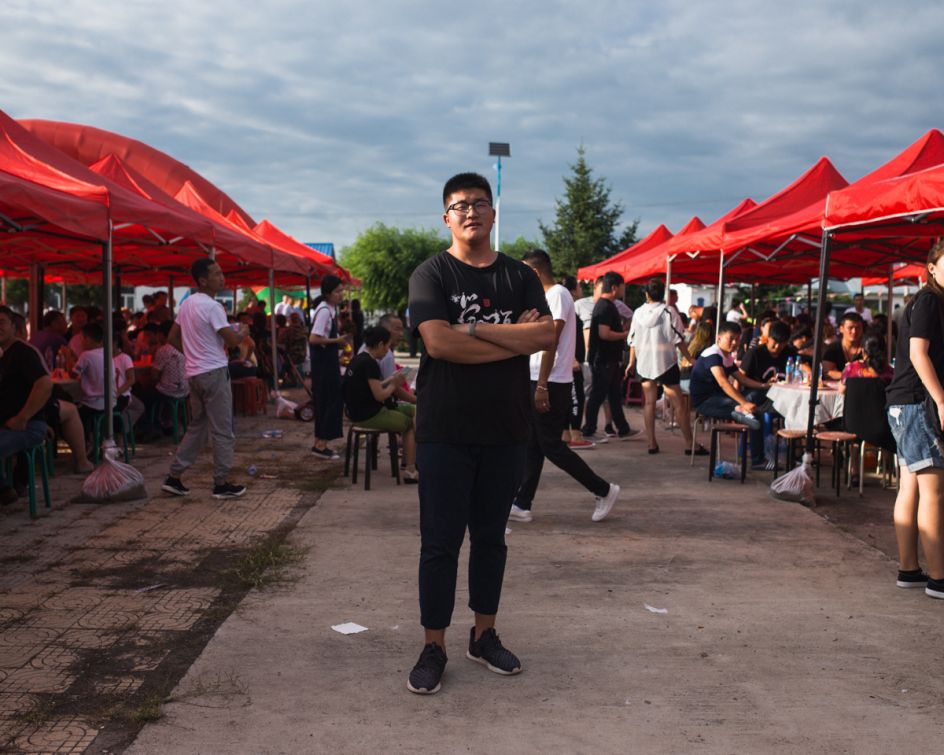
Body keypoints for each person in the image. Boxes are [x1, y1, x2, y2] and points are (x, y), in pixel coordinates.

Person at [405, 172, 553, 695]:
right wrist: (510, 339)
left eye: (479, 203)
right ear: (446, 217)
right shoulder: (431, 275)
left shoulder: (519, 276)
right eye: (459, 205)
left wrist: (470, 330)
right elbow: (439, 345)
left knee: (491, 540)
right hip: (444, 429)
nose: (470, 211)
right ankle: (434, 645)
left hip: (505, 429)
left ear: (494, 214)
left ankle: (483, 635)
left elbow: (544, 334)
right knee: (440, 544)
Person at [509, 250, 619, 524]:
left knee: (551, 446)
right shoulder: (546, 296)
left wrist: (542, 385)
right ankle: (522, 503)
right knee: (534, 444)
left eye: (524, 272)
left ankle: (603, 489)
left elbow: (550, 340)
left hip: (551, 381)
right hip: (541, 378)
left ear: (534, 272)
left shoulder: (557, 294)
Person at [161, 258, 247, 499]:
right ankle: (221, 483)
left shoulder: (187, 304)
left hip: (195, 373)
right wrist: (243, 333)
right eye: (217, 274)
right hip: (214, 372)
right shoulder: (212, 307)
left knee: (197, 427)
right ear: (203, 280)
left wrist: (190, 353)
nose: (222, 277)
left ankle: (174, 476)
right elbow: (231, 340)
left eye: (222, 272)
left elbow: (172, 337)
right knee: (222, 430)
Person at [886, 241, 944, 598]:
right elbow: (917, 353)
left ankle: (909, 569)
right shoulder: (929, 301)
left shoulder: (931, 301)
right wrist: (940, 398)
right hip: (917, 402)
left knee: (911, 485)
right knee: (934, 491)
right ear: (933, 268)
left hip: (906, 403)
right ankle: (939, 577)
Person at [627, 278, 705, 456]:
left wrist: (632, 362)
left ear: (646, 294)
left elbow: (632, 340)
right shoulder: (669, 312)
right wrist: (689, 358)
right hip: (665, 363)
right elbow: (679, 339)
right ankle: (689, 443)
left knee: (649, 403)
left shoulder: (638, 313)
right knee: (678, 404)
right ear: (663, 294)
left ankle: (651, 443)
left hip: (644, 362)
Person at [689, 321, 775, 469]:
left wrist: (765, 385)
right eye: (731, 338)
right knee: (755, 413)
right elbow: (724, 383)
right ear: (719, 338)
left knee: (757, 397)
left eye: (738, 339)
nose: (735, 343)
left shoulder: (726, 356)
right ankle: (758, 460)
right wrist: (743, 402)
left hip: (720, 398)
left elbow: (742, 378)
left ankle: (743, 411)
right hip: (705, 402)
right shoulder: (713, 355)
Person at [343, 325, 418, 482]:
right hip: (369, 414)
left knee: (415, 410)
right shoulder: (370, 364)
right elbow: (379, 395)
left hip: (359, 410)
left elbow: (374, 386)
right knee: (410, 424)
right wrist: (394, 384)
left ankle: (413, 460)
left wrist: (391, 380)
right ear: (380, 345)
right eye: (387, 346)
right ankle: (410, 469)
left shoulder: (359, 359)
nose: (388, 351)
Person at [0, 306, 53, 506]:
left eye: (1, 323)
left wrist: (23, 417)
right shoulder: (4, 355)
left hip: (27, 426)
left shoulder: (23, 352)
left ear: (15, 327)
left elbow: (45, 384)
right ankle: (6, 487)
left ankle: (5, 489)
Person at [581, 271, 635, 443]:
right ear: (614, 288)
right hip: (603, 359)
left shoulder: (607, 305)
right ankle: (588, 428)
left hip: (608, 359)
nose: (623, 291)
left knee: (613, 394)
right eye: (622, 287)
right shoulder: (604, 306)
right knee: (598, 395)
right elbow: (604, 334)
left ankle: (623, 428)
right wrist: (624, 334)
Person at [308, 275, 349, 459]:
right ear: (328, 293)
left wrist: (336, 344)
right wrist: (336, 340)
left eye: (341, 291)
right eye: (337, 292)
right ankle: (322, 444)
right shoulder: (324, 311)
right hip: (323, 365)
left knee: (326, 401)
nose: (341, 295)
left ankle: (319, 442)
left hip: (327, 362)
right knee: (330, 401)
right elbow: (314, 338)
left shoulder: (329, 310)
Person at [822, 312, 864, 380]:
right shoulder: (832, 348)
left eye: (858, 328)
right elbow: (827, 372)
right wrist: (852, 375)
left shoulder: (867, 349)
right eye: (850, 328)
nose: (854, 331)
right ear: (841, 329)